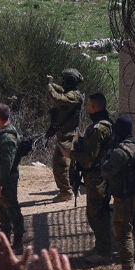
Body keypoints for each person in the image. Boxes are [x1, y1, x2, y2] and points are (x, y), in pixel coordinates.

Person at [98, 114, 135, 270]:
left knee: (124, 233)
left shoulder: (121, 152)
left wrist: (106, 157)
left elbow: (106, 172)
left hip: (124, 198)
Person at [71, 92, 116, 256]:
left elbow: (89, 157)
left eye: (89, 106)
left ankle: (104, 250)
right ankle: (102, 246)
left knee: (97, 214)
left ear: (94, 107)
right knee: (98, 212)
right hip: (102, 174)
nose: (88, 110)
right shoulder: (107, 124)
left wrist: (71, 154)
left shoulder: (98, 129)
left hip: (97, 176)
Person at [0, 102, 25, 249]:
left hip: (7, 179)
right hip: (2, 177)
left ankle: (18, 242)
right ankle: (5, 241)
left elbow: (7, 163)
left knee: (11, 208)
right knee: (3, 210)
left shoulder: (7, 137)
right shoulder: (2, 133)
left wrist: (0, 183)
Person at [44, 67, 84, 202]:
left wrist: (50, 86)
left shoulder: (72, 96)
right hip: (70, 133)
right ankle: (74, 188)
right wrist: (51, 83)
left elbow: (57, 97)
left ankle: (66, 191)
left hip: (67, 136)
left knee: (60, 164)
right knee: (72, 163)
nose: (62, 82)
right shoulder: (74, 93)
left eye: (64, 80)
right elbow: (61, 90)